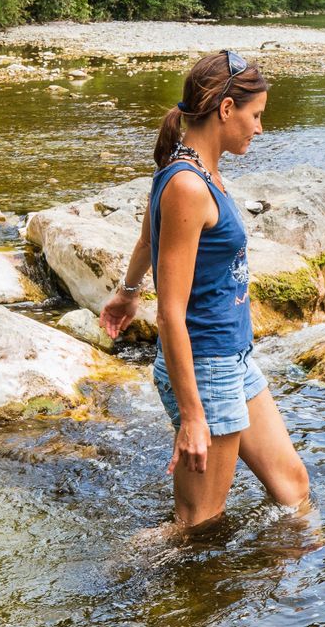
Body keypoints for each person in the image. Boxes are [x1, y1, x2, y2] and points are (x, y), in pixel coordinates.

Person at [100, 50, 309, 535]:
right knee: (196, 524)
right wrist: (194, 416)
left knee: (292, 486)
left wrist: (126, 292)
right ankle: (107, 582)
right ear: (226, 109)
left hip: (233, 358)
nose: (259, 129)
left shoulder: (193, 169)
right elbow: (171, 314)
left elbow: (151, 237)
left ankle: (316, 573)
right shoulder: (188, 184)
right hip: (205, 366)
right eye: (256, 116)